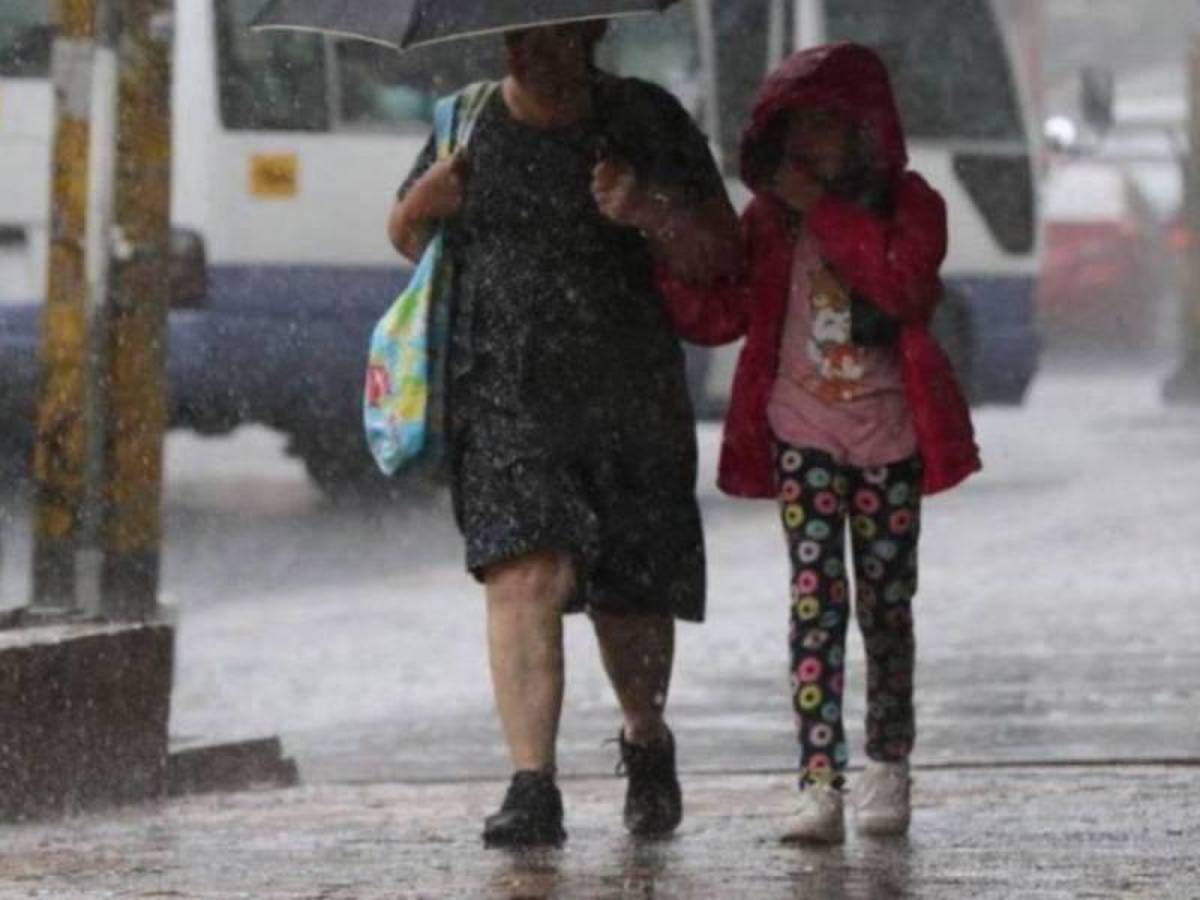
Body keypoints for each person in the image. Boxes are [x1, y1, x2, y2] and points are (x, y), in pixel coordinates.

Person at [387, 21, 739, 847]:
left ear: (591, 33)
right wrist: (420, 204)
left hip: (629, 395)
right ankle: (531, 784)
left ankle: (645, 739)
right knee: (522, 572)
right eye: (513, 36)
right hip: (503, 394)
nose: (523, 52)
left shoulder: (645, 120)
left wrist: (648, 208)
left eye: (544, 37)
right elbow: (408, 238)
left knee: (629, 593)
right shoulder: (465, 121)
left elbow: (721, 252)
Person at [619, 43, 981, 843]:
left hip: (889, 439)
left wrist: (822, 210)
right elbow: (723, 313)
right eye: (799, 129)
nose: (813, 144)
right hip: (801, 435)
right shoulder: (768, 224)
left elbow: (901, 287)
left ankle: (889, 763)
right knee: (816, 603)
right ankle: (818, 779)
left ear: (864, 132)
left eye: (829, 126)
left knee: (886, 607)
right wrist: (657, 245)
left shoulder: (913, 206)